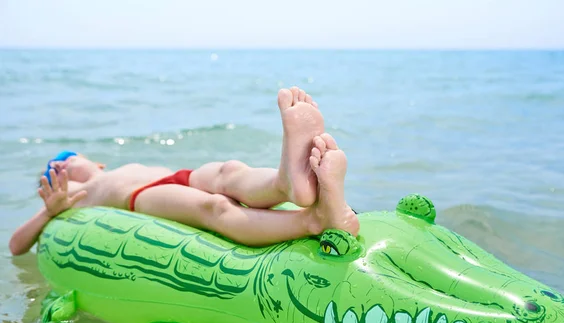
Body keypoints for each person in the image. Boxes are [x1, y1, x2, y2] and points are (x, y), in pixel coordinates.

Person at [9, 87, 359, 256]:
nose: (59, 166)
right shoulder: (68, 199)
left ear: (96, 162)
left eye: (65, 158)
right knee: (216, 209)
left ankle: (284, 183)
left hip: (180, 174)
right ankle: (312, 220)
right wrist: (49, 212)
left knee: (230, 171)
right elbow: (16, 246)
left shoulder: (116, 168)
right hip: (140, 199)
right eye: (52, 171)